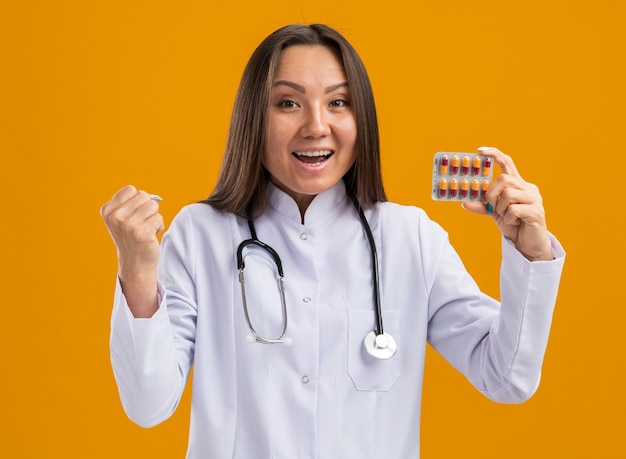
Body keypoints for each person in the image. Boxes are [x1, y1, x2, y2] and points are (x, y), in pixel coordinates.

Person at [100, 23, 565, 459]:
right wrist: (138, 271)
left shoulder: (410, 239)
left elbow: (507, 378)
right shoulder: (200, 234)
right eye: (288, 103)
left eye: (338, 103)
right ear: (253, 120)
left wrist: (531, 251)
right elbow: (148, 403)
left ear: (362, 120)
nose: (316, 126)